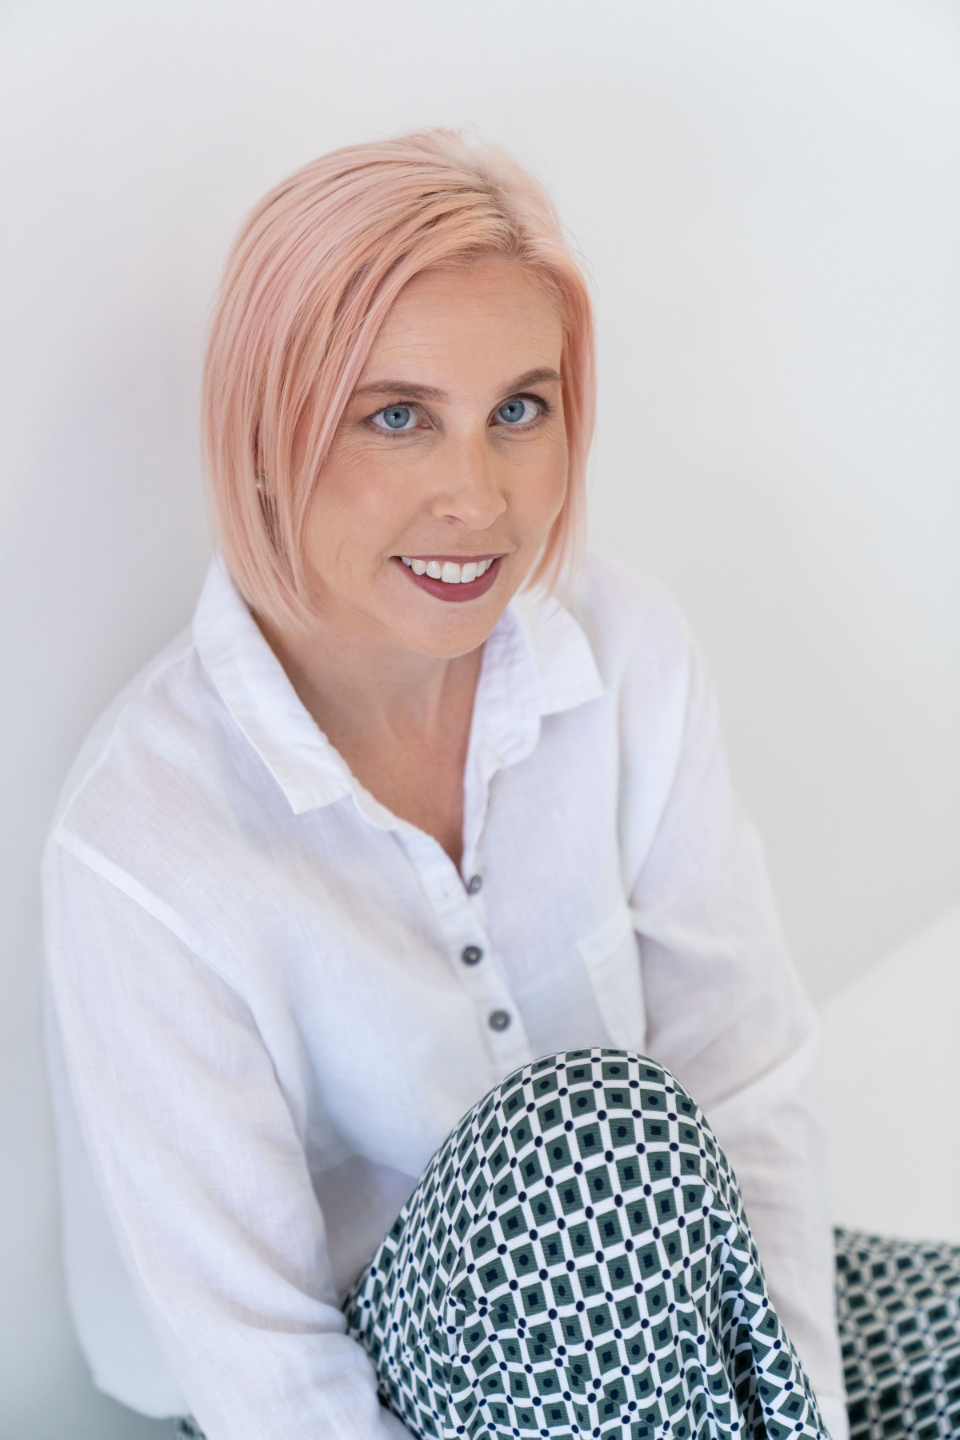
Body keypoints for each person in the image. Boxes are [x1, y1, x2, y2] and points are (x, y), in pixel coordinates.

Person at [43, 129, 847, 1440]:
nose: (475, 498)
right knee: (600, 1148)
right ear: (266, 438)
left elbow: (742, 1073)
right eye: (398, 417)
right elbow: (263, 1363)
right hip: (356, 1389)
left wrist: (805, 1414)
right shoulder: (147, 842)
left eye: (517, 412)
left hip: (649, 1299)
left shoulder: (626, 654)